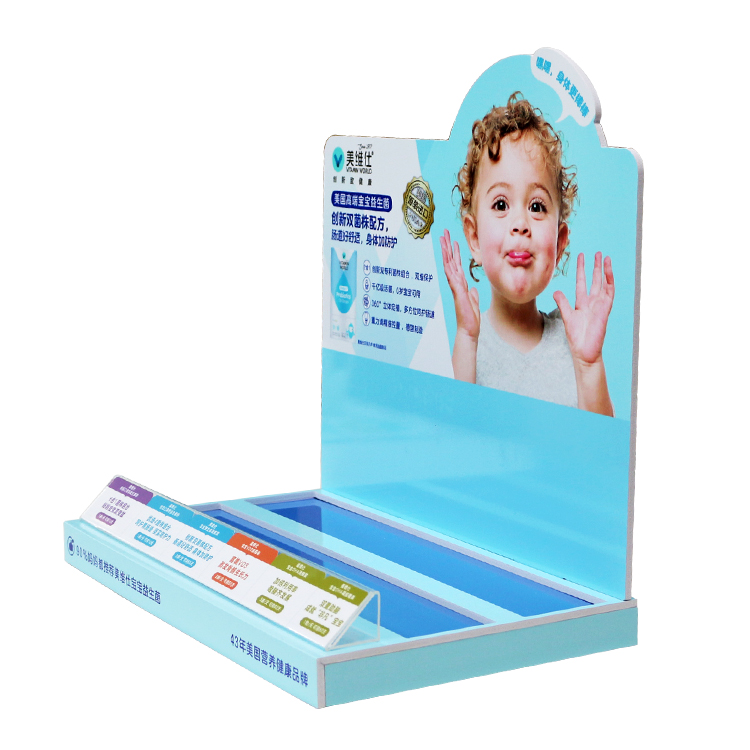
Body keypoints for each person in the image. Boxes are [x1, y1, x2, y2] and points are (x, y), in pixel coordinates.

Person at [440, 93, 614, 416]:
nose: (520, 224)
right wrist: (466, 337)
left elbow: (600, 444)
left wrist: (589, 365)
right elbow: (453, 432)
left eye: (536, 206)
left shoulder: (575, 342)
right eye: (501, 204)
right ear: (474, 237)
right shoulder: (469, 339)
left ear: (559, 243)